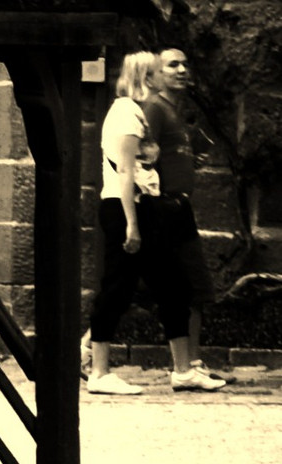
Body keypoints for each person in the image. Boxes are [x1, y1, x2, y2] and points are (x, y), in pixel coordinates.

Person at [85, 51, 223, 396]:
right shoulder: (127, 113)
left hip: (143, 207)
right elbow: (125, 172)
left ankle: (182, 370)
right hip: (125, 208)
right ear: (146, 78)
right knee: (117, 288)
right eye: (159, 72)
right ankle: (98, 370)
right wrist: (133, 225)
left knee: (174, 286)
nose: (167, 77)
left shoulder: (140, 113)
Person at [146, 47, 229, 387]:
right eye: (172, 65)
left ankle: (192, 363)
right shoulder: (154, 108)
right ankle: (90, 347)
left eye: (184, 63)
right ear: (156, 73)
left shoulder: (175, 111)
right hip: (163, 208)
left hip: (181, 208)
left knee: (196, 287)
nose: (182, 69)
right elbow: (137, 155)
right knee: (146, 286)